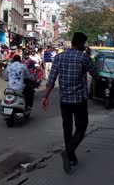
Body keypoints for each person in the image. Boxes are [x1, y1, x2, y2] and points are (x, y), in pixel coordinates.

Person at [42, 32, 98, 173]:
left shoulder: (59, 57)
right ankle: (68, 153)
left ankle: (71, 157)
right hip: (79, 100)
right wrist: (89, 55)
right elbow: (95, 74)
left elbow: (51, 79)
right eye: (83, 44)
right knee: (81, 127)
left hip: (64, 100)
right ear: (80, 44)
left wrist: (45, 97)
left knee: (67, 128)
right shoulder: (83, 57)